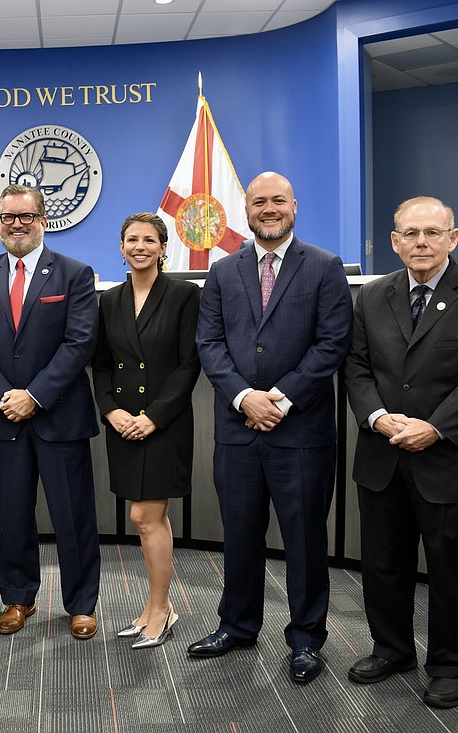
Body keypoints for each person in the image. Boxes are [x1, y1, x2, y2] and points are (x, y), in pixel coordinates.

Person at [344, 196, 458, 709]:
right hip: (382, 454)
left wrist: (435, 428)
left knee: (450, 570)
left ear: (452, 238)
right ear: (394, 242)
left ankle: (451, 665)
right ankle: (392, 649)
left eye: (432, 233)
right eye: (410, 233)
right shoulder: (372, 296)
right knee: (383, 563)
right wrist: (376, 417)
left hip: (450, 460)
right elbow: (356, 366)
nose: (421, 242)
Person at [191, 171, 352, 684]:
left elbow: (332, 344)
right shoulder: (221, 270)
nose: (268, 209)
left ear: (294, 206)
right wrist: (244, 397)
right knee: (239, 534)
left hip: (300, 432)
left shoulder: (324, 267)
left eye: (277, 200)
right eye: (258, 201)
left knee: (304, 540)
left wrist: (278, 400)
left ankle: (306, 639)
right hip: (237, 429)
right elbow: (209, 343)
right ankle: (237, 625)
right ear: (246, 209)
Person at [0, 184, 101, 639]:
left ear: (44, 220)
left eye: (25, 216)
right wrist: (6, 395)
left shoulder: (75, 275)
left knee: (72, 515)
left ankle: (81, 605)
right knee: (13, 514)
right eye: (7, 217)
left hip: (60, 416)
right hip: (6, 418)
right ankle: (17, 598)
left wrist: (34, 396)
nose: (16, 224)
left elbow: (79, 343)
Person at [92, 213, 201, 649]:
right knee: (145, 519)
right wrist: (110, 411)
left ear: (162, 247)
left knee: (146, 516)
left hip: (162, 423)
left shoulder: (184, 295)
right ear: (121, 247)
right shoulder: (110, 300)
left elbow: (189, 365)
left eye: (149, 240)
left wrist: (153, 416)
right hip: (123, 424)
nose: (140, 246)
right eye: (132, 240)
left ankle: (161, 609)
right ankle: (154, 606)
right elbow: (100, 364)